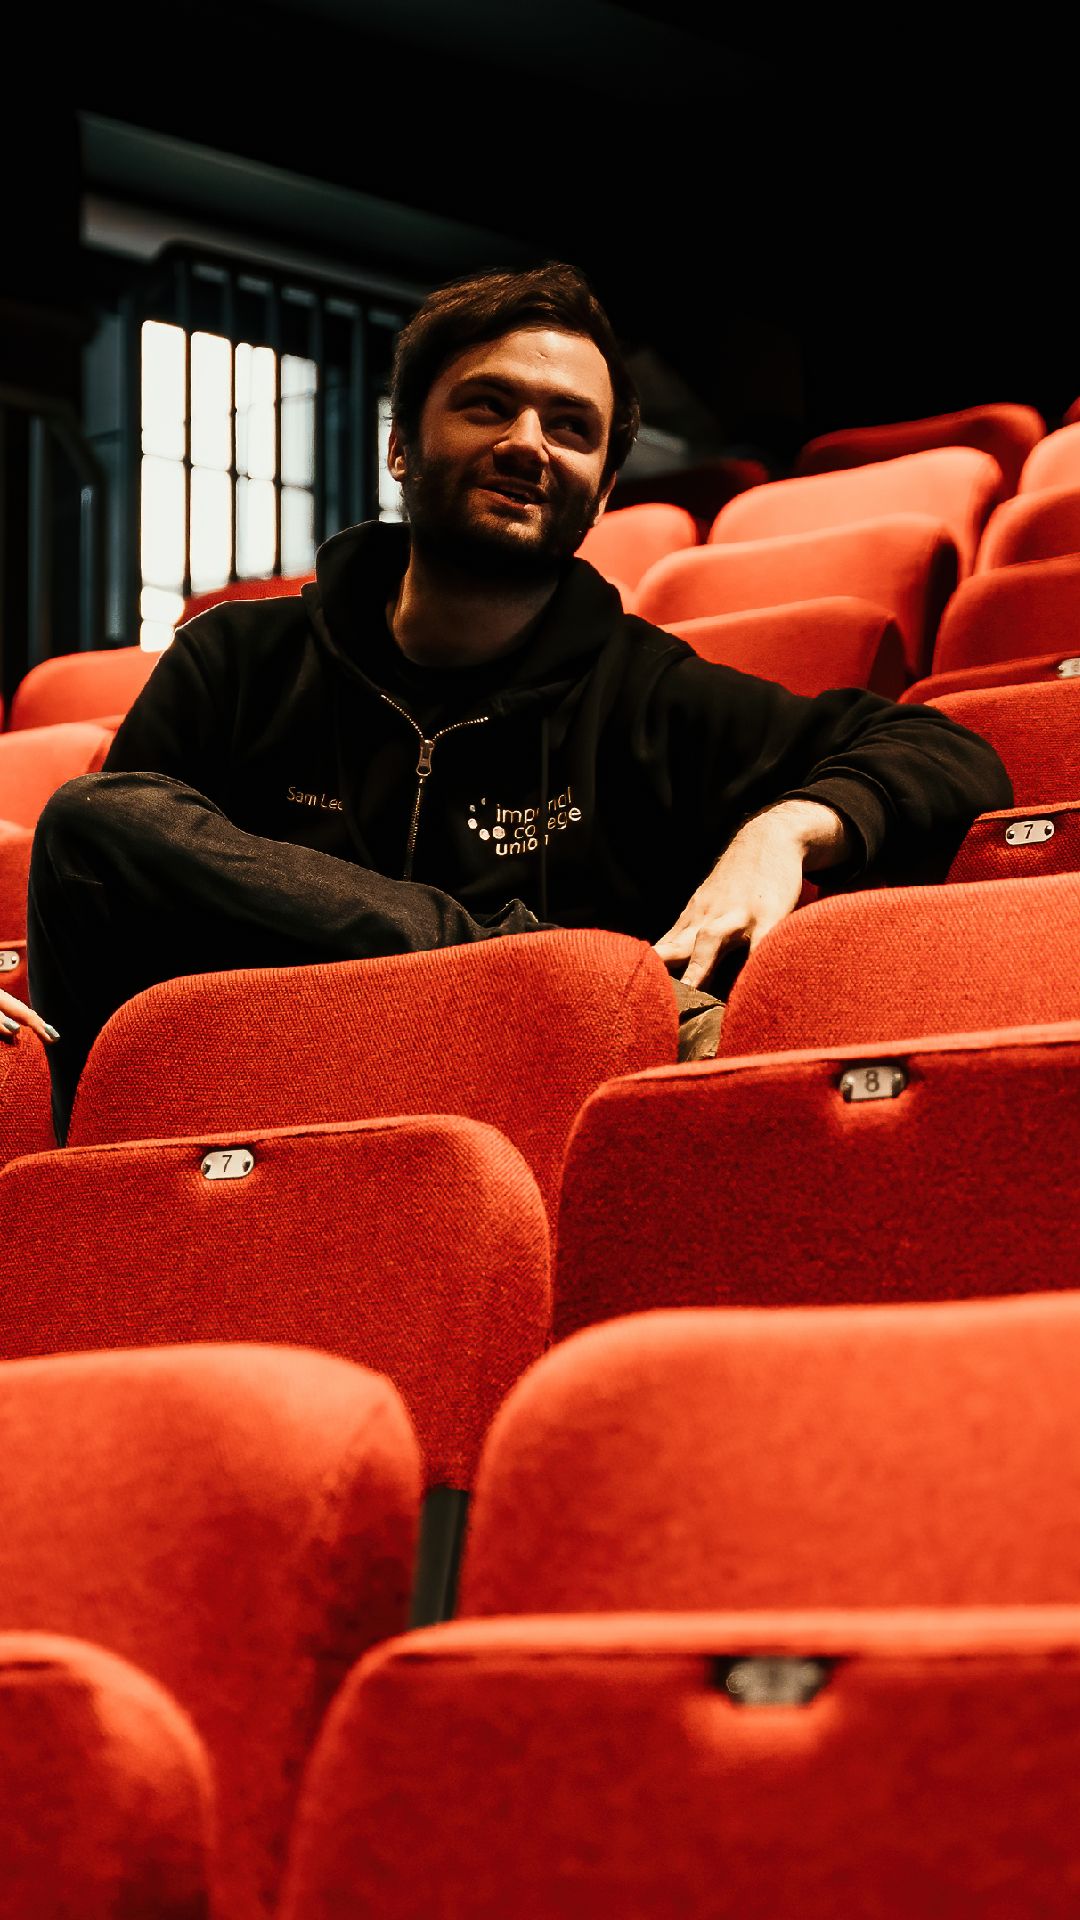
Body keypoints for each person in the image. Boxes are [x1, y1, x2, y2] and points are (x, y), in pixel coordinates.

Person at [18, 262, 1010, 1140]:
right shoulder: (240, 657)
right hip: (251, 1108)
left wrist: (789, 828)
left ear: (603, 485)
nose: (528, 444)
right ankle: (519, 959)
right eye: (488, 406)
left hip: (510, 1118)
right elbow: (111, 865)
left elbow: (947, 749)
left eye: (569, 426)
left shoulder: (645, 693)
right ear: (403, 445)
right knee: (94, 816)